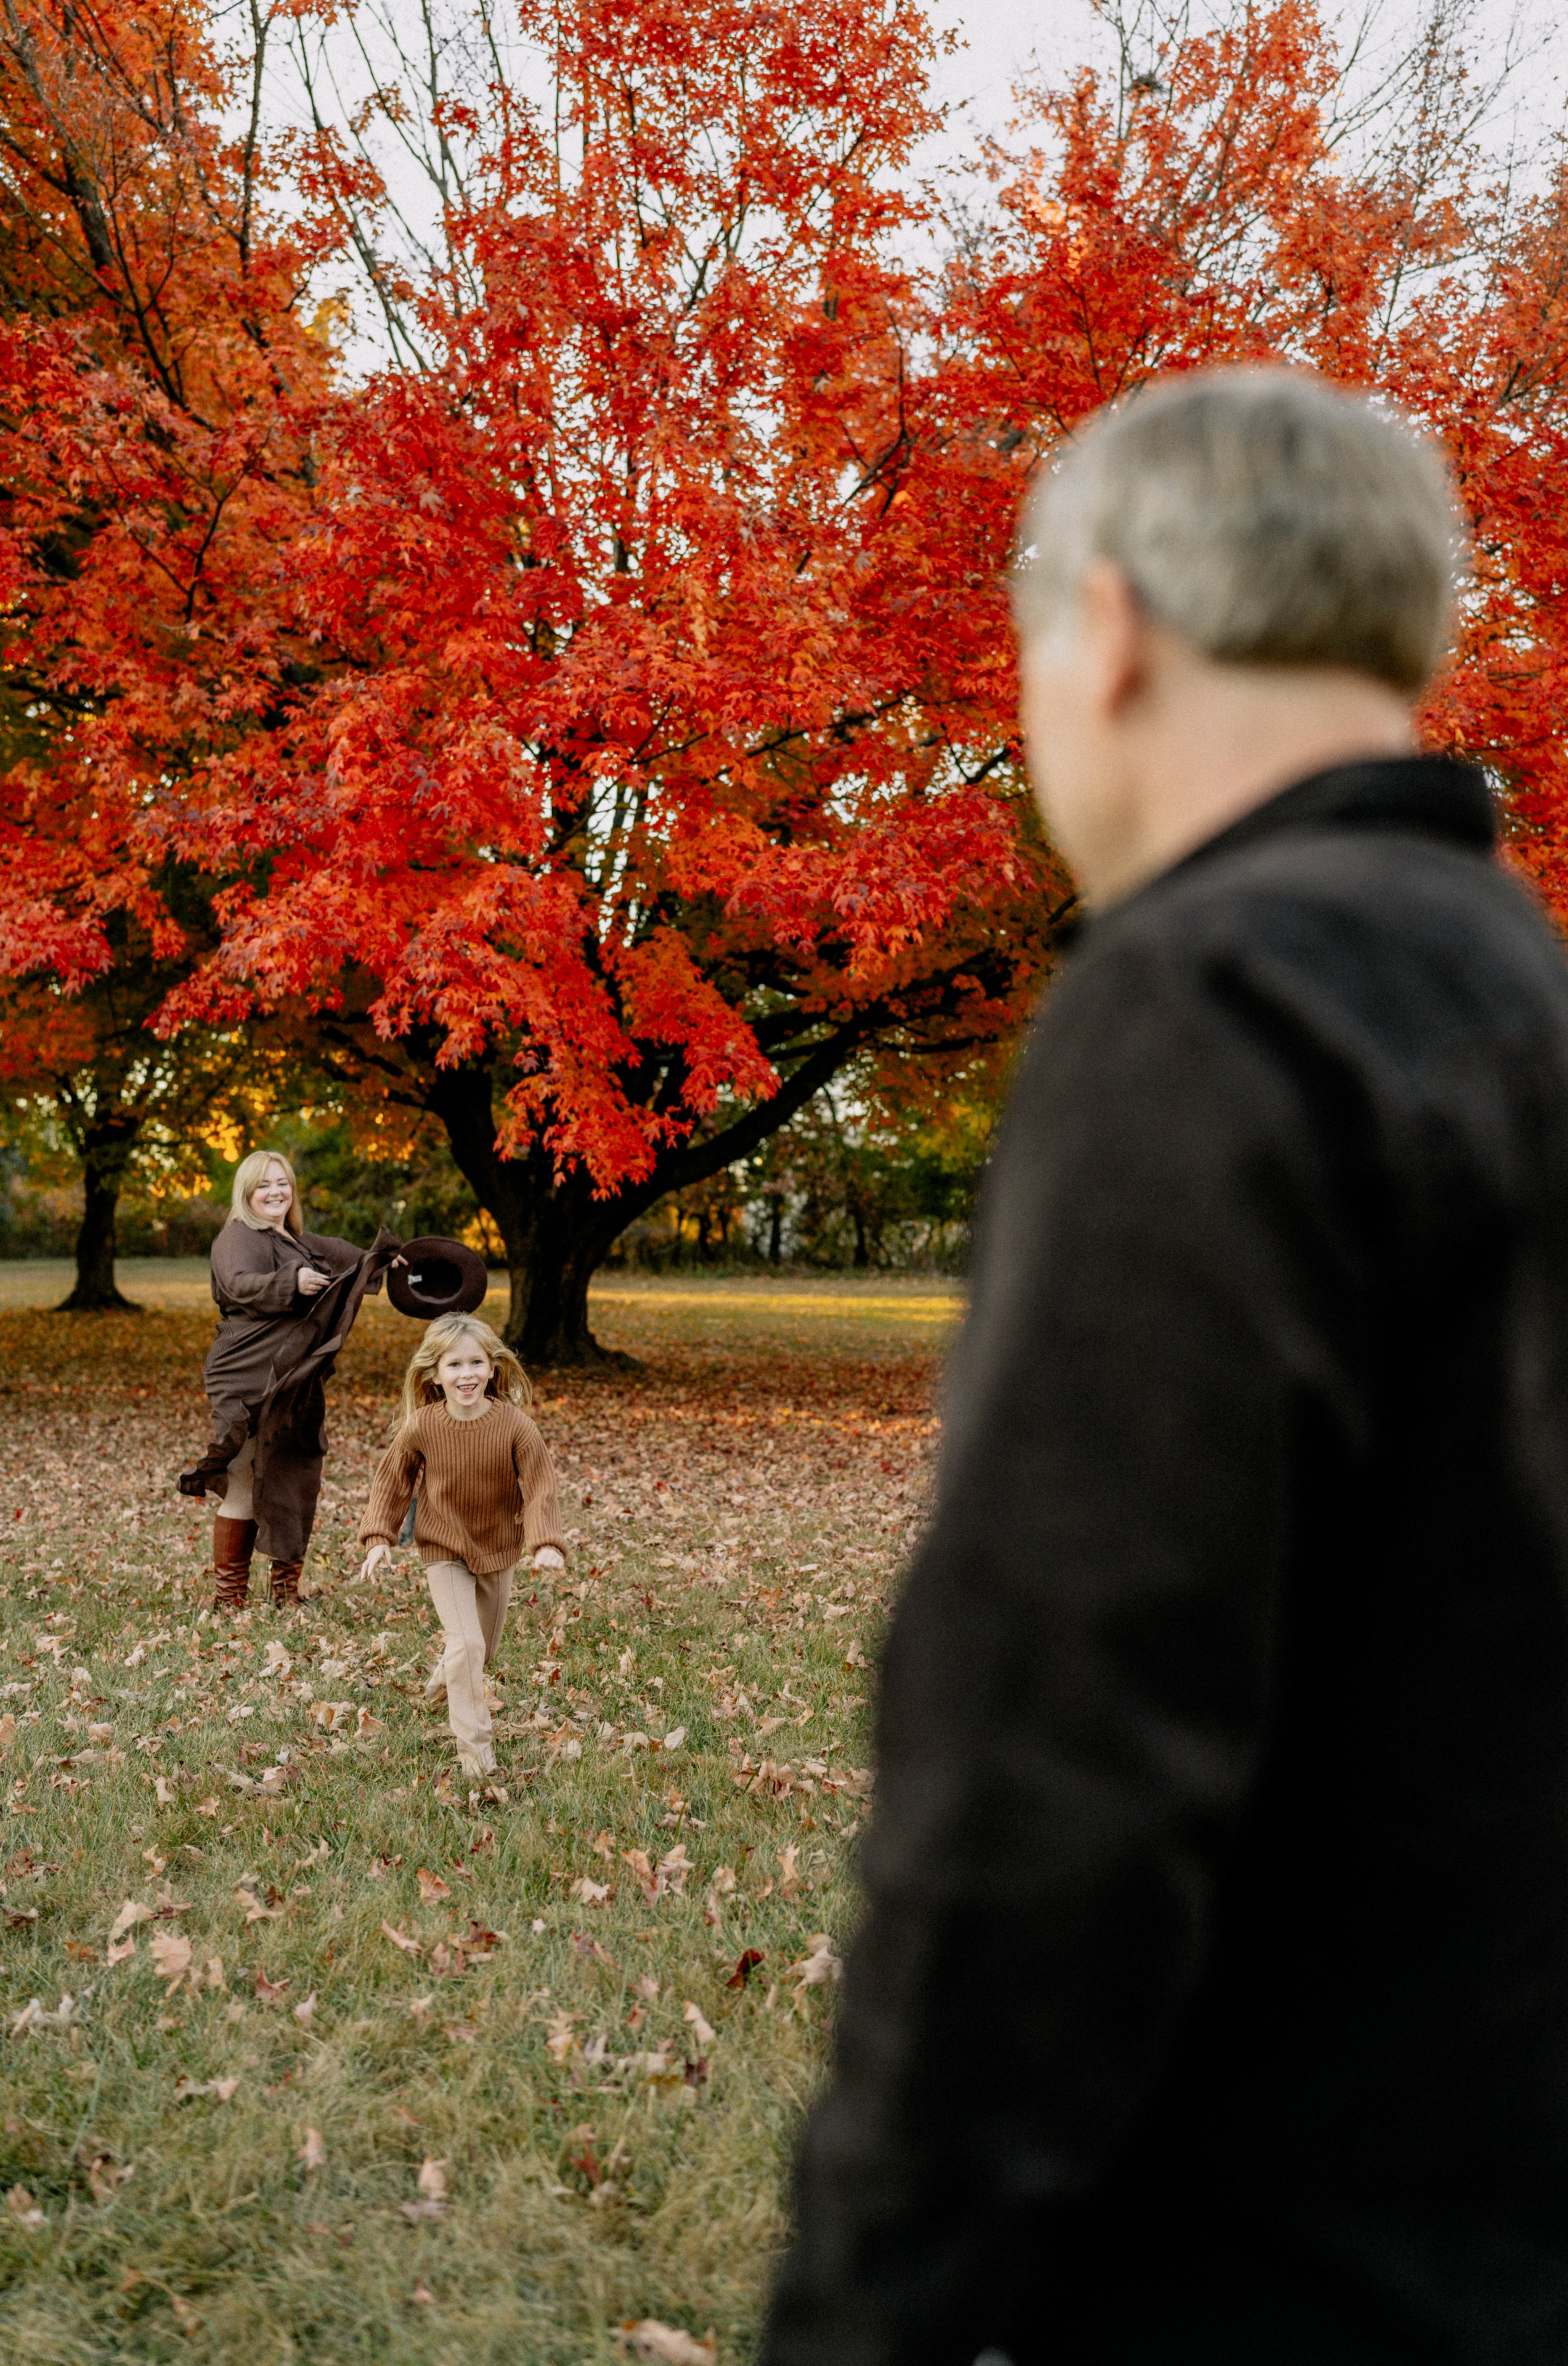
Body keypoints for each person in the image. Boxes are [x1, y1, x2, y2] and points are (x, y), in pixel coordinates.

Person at [762, 368, 1568, 2366]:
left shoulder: (1205, 1000)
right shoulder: (1522, 992)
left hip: (1272, 2249)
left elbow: (1055, 1754)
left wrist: (869, 2303)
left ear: (1108, 628)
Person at [181, 1150, 400, 1609]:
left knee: (296, 1474)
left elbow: (352, 1258)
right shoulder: (237, 1236)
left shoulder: (298, 1240)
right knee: (244, 1477)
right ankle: (230, 1599)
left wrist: (388, 1260)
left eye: (282, 1183)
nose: (275, 1192)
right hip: (246, 1374)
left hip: (293, 1376)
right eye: (263, 1185)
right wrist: (291, 1282)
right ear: (246, 1193)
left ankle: (285, 1593)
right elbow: (239, 1283)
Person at [359, 1312, 566, 1778]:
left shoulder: (516, 1426)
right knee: (467, 1644)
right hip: (444, 1547)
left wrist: (545, 1543)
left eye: (475, 1363)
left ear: (492, 1368)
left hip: (498, 1548)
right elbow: (392, 1483)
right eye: (454, 1365)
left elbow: (540, 1488)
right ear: (434, 1374)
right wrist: (378, 1538)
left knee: (480, 1652)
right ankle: (476, 1758)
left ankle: (444, 1683)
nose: (466, 1374)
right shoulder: (422, 1426)